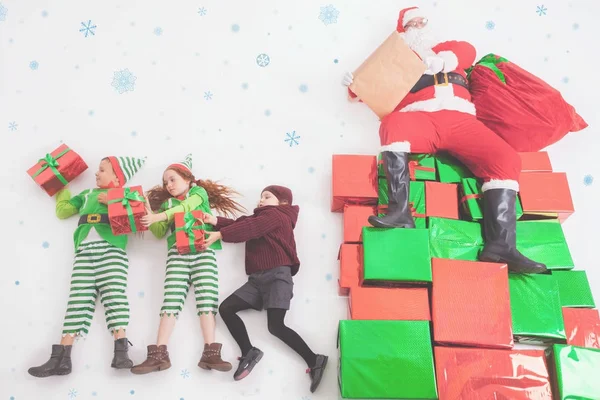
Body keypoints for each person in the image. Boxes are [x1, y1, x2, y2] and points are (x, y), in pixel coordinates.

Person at [342, 6, 547, 274]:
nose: (417, 26)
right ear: (402, 31)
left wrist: (445, 60)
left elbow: (468, 51)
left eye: (421, 21)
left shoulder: (449, 49)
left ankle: (501, 245)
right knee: (393, 125)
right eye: (410, 24)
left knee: (506, 158)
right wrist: (355, 84)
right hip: (422, 120)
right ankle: (400, 213)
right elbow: (371, 85)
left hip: (462, 121)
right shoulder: (396, 61)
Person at [201, 185, 328, 393]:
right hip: (257, 280)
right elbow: (243, 224)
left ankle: (315, 359)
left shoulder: (278, 215)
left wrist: (220, 234)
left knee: (276, 326)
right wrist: (214, 221)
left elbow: (249, 229)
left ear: (283, 202)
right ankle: (249, 352)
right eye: (260, 197)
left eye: (267, 196)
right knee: (226, 308)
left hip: (278, 276)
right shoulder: (261, 218)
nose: (261, 200)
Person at [28, 155, 146, 377]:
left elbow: (136, 220)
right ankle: (61, 358)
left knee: (114, 296)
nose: (96, 173)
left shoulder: (126, 197)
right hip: (84, 253)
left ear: (117, 177)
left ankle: (121, 351)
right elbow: (63, 210)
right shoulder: (86, 195)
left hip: (112, 251)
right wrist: (61, 184)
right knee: (77, 299)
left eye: (102, 170)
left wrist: (112, 200)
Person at [131, 154, 245, 374]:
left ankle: (211, 353)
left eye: (172, 179)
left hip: (203, 251)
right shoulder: (167, 205)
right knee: (170, 300)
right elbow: (158, 233)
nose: (168, 185)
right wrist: (149, 213)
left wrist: (160, 216)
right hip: (177, 255)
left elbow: (187, 208)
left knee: (207, 300)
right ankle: (159, 354)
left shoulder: (198, 194)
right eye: (166, 182)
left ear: (188, 179)